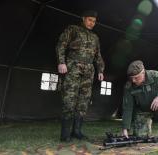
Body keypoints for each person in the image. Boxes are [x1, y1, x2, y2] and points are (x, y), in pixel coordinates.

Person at [56, 10, 105, 142]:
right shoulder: (73, 29)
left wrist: (100, 70)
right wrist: (61, 62)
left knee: (83, 102)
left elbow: (98, 55)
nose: (92, 23)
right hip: (73, 67)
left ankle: (77, 131)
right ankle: (65, 134)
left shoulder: (95, 37)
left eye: (94, 21)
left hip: (89, 71)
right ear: (83, 18)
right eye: (89, 20)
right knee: (69, 100)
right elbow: (61, 45)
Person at [122, 60, 158, 138]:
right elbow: (127, 107)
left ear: (143, 73)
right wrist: (125, 128)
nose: (133, 80)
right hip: (143, 111)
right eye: (131, 78)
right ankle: (147, 124)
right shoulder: (129, 86)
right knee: (141, 137)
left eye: (136, 78)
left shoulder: (156, 76)